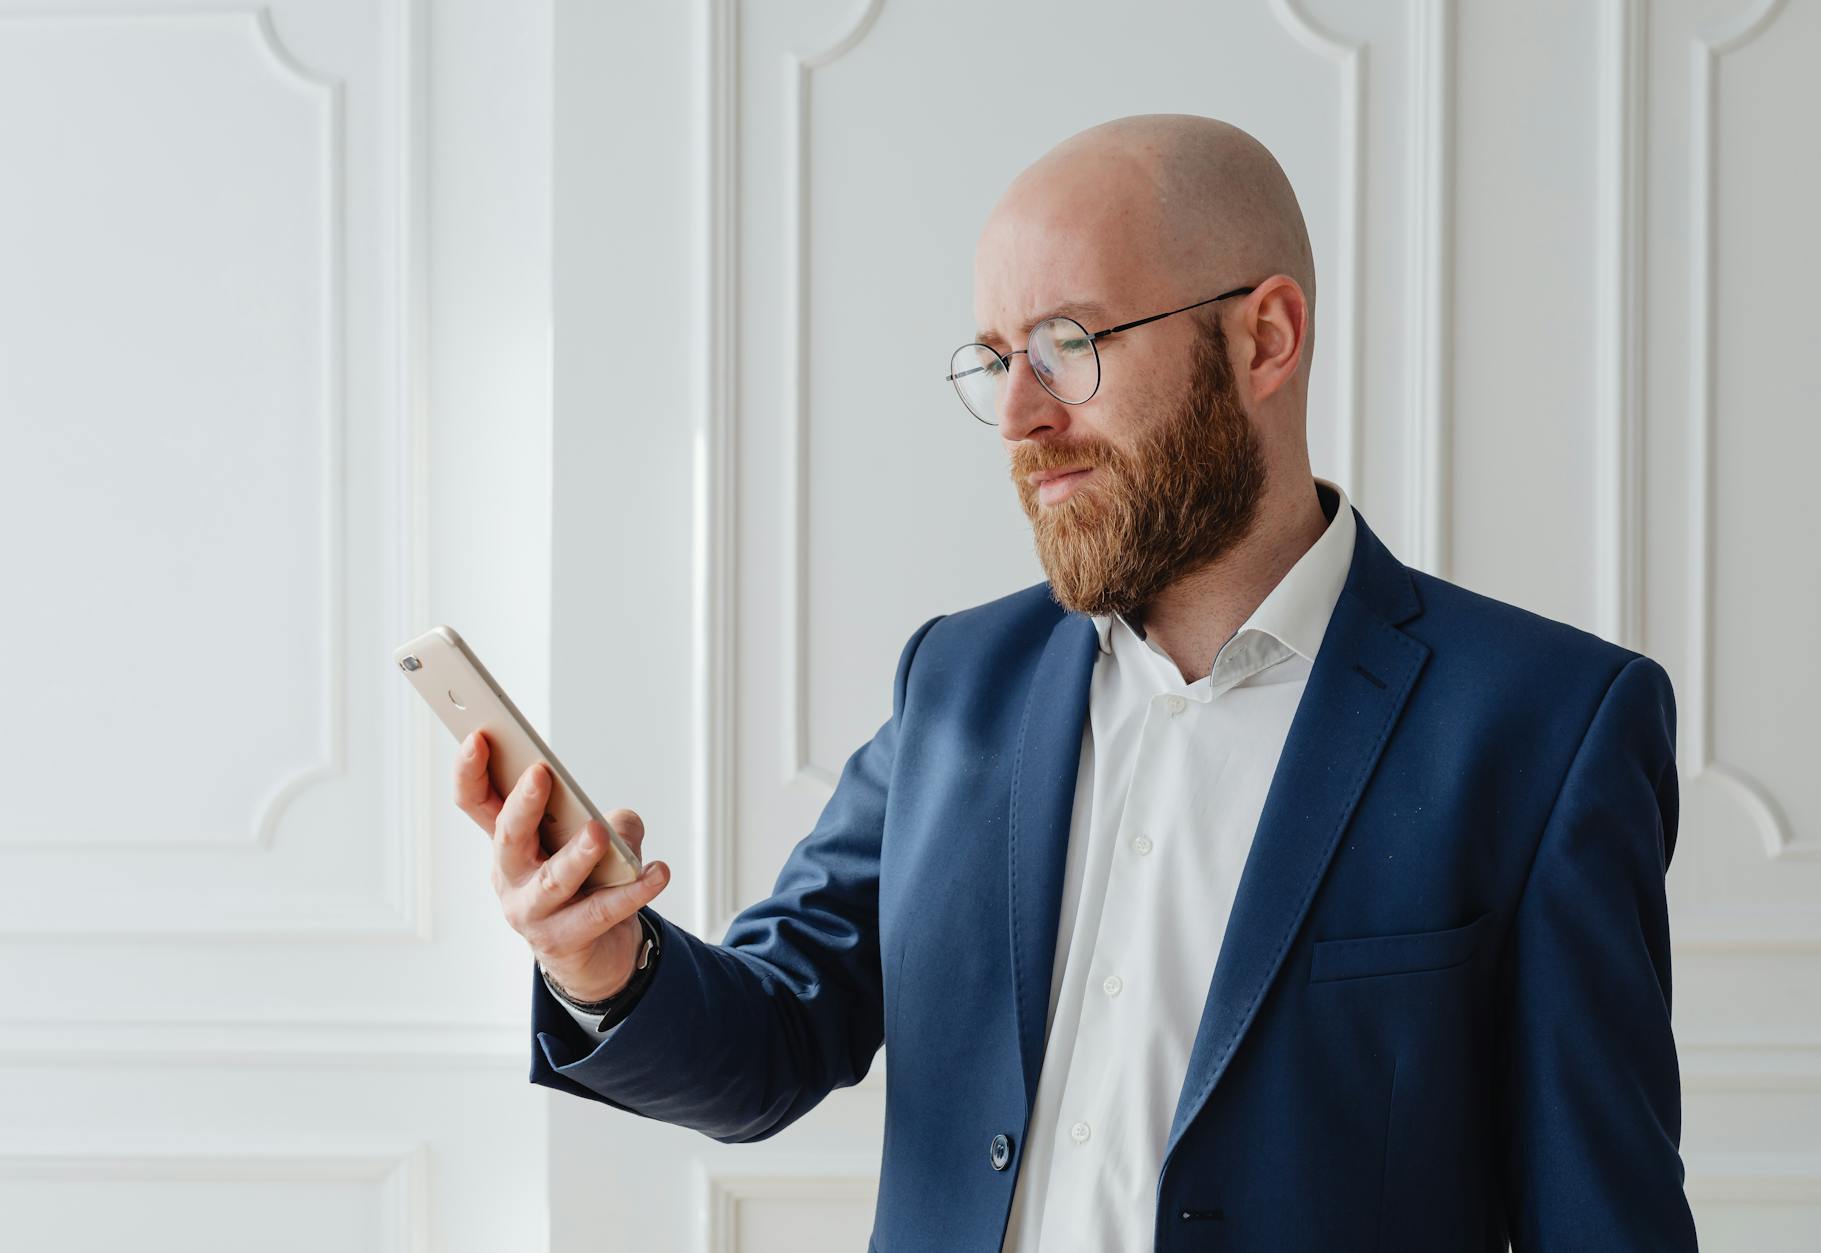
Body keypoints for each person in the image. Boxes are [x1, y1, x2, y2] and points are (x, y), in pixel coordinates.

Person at [453, 113, 1698, 1251]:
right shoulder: (957, 683)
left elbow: (1602, 1218)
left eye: (1068, 342)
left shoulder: (1547, 726)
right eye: (994, 357)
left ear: (1264, 336)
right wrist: (602, 967)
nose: (1016, 416)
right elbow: (776, 1034)